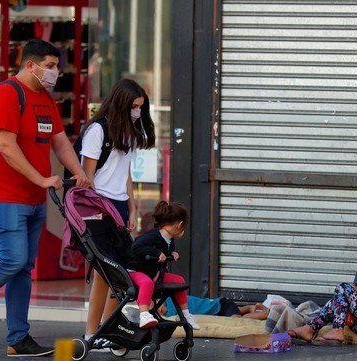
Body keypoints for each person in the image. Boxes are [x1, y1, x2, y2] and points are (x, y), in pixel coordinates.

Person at [0, 39, 89, 357]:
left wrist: (79, 172)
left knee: (23, 266)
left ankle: (17, 337)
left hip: (33, 198)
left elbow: (60, 141)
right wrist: (42, 178)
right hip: (3, 194)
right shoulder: (6, 94)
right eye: (50, 66)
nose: (55, 73)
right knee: (12, 259)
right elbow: (6, 147)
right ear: (30, 65)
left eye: (57, 67)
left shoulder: (45, 99)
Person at [80, 78, 155, 349]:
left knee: (121, 274)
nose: (137, 112)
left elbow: (126, 175)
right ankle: (91, 332)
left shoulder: (130, 133)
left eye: (140, 107)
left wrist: (133, 208)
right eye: (134, 107)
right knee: (105, 271)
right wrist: (98, 210)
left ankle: (108, 328)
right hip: (98, 207)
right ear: (122, 104)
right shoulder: (97, 131)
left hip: (120, 206)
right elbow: (86, 179)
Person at [129, 201, 200, 330]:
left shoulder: (169, 240)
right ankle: (144, 314)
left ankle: (184, 314)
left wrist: (171, 253)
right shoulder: (153, 235)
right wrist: (156, 252)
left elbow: (165, 251)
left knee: (179, 281)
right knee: (147, 283)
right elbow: (136, 246)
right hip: (136, 271)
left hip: (154, 273)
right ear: (180, 225)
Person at [158, 296, 269, 320]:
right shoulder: (169, 315)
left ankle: (264, 312)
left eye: (159, 306)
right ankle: (249, 308)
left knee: (235, 319)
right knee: (226, 313)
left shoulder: (171, 299)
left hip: (223, 304)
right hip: (218, 310)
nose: (160, 310)